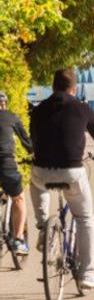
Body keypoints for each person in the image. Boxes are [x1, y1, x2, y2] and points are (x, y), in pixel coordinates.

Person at [30, 69, 94, 289]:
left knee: (37, 183)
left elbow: (34, 141)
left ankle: (44, 228)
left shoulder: (38, 110)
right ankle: (87, 273)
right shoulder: (82, 108)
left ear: (53, 87)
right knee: (85, 218)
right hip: (72, 171)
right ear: (74, 89)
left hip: (42, 170)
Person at [0, 91, 34, 255]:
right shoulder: (10, 117)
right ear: (4, 104)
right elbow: (27, 142)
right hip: (6, 164)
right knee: (19, 198)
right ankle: (19, 239)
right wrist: (34, 155)